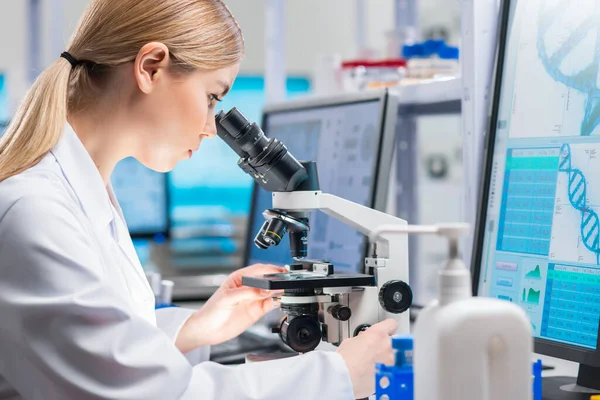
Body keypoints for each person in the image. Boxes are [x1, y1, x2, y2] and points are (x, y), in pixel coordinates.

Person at [0, 0, 397, 399]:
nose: (210, 127)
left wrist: (195, 329)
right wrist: (339, 374)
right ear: (150, 67)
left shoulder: (81, 195)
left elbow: (96, 352)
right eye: (211, 97)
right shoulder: (35, 212)